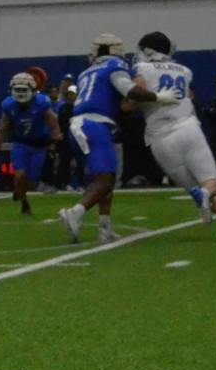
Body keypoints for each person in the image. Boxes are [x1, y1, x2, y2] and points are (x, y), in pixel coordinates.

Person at [131, 32, 216, 237]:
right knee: (211, 185)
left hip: (160, 138)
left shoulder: (142, 69)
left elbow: (134, 99)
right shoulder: (184, 71)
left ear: (149, 50)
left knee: (196, 190)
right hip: (187, 128)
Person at [59, 34, 158, 245]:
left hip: (81, 125)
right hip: (94, 125)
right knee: (105, 178)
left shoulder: (86, 72)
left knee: (107, 178)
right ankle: (75, 213)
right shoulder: (114, 66)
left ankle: (105, 227)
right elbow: (130, 91)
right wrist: (157, 97)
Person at [0, 73, 60, 216]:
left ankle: (19, 190)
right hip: (20, 143)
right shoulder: (9, 105)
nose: (21, 93)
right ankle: (25, 203)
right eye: (18, 90)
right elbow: (2, 129)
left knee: (31, 182)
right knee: (19, 175)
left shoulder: (42, 104)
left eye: (24, 90)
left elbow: (54, 125)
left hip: (39, 145)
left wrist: (54, 143)